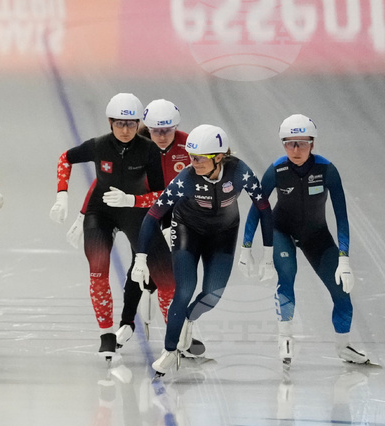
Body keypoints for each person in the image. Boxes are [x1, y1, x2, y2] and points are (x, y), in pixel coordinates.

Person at [131, 124, 276, 376]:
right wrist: (141, 258)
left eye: (198, 158)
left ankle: (188, 320)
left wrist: (267, 255)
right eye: (190, 157)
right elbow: (153, 215)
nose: (192, 163)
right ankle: (169, 350)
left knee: (212, 295)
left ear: (219, 157)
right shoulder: (186, 179)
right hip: (188, 232)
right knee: (184, 289)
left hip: (223, 234)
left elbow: (263, 207)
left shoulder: (240, 172)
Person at [49, 93, 173, 358]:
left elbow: (162, 193)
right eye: (119, 124)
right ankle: (106, 333)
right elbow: (65, 158)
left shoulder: (149, 149)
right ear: (109, 123)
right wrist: (62, 195)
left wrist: (133, 199)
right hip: (100, 212)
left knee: (165, 276)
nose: (125, 130)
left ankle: (175, 335)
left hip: (135, 209)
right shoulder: (98, 146)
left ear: (138, 124)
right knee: (98, 269)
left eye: (130, 124)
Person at [240, 114, 370, 366]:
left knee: (342, 292)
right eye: (289, 143)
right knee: (286, 277)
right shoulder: (276, 170)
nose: (296, 149)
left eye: (302, 143)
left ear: (313, 143)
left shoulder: (327, 170)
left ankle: (344, 346)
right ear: (283, 144)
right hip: (281, 231)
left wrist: (344, 257)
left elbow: (342, 217)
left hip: (317, 235)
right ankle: (285, 336)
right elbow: (258, 208)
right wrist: (246, 248)